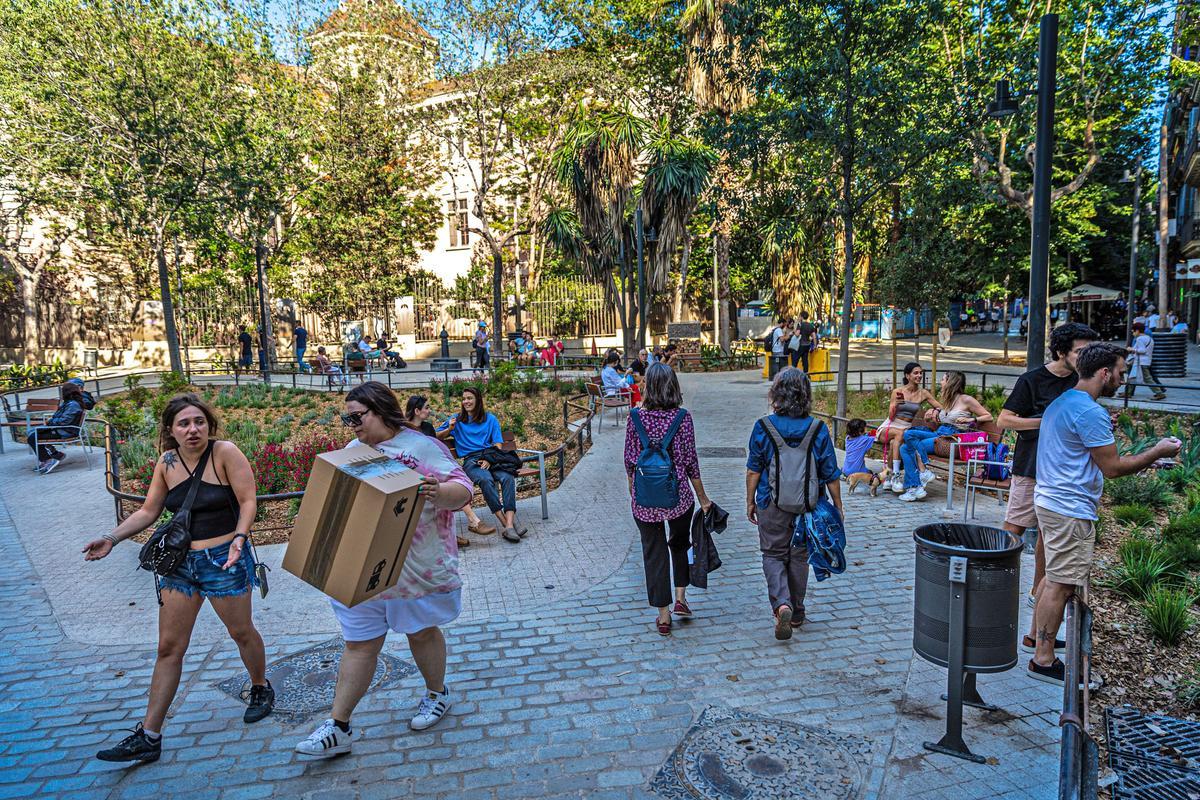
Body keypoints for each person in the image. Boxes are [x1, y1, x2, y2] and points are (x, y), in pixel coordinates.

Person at [85, 394, 272, 763]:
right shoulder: (166, 462)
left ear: (209, 425)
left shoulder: (225, 453)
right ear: (170, 430)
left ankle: (260, 686)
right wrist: (111, 538)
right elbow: (149, 510)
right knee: (169, 648)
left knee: (241, 632)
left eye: (199, 422)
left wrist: (239, 539)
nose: (192, 429)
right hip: (179, 565)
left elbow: (249, 500)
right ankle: (149, 736)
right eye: (184, 423)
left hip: (224, 560)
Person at [295, 382, 471, 756]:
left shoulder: (421, 447)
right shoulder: (353, 451)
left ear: (380, 410)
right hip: (363, 571)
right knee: (359, 645)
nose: (352, 425)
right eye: (348, 418)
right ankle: (339, 726)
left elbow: (464, 489)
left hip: (413, 572)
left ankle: (437, 694)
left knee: (421, 633)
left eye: (357, 417)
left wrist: (438, 492)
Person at [1028, 343, 1181, 685]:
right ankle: (1043, 659)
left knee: (1054, 578)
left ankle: (1036, 640)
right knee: (1061, 583)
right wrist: (1156, 449)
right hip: (1069, 509)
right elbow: (1112, 468)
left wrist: (1147, 460)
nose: (1123, 379)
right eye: (1121, 372)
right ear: (1104, 373)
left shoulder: (1065, 402)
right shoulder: (1088, 412)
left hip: (1052, 501)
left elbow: (1088, 459)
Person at [997, 322, 1099, 624]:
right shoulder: (1032, 380)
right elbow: (1005, 420)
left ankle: (1036, 591)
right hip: (1030, 467)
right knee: (1013, 527)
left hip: (1062, 472)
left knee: (1047, 535)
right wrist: (1048, 421)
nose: (1085, 357)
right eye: (1081, 351)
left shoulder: (1081, 383)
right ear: (1061, 351)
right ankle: (992, 586)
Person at [745, 368, 842, 640]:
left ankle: (781, 604)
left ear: (776, 394)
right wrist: (838, 506)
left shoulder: (763, 427)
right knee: (799, 556)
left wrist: (750, 501)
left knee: (773, 554)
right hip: (807, 506)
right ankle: (797, 611)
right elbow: (830, 472)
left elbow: (754, 469)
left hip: (770, 502)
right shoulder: (818, 428)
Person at [624, 363, 713, 636]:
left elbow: (629, 461)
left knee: (654, 553)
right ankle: (681, 598)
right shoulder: (683, 418)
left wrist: (635, 494)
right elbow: (690, 463)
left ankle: (663, 617)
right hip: (679, 498)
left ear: (647, 386)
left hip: (645, 500)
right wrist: (703, 498)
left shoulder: (635, 418)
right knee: (680, 544)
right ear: (673, 386)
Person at [437, 387, 523, 543]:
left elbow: (498, 444)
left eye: (470, 398)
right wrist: (449, 429)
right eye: (464, 399)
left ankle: (509, 523)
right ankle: (507, 525)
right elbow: (435, 436)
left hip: (492, 458)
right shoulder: (457, 420)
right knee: (485, 480)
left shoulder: (490, 419)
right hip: (471, 461)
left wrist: (489, 459)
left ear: (478, 400)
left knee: (508, 477)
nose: (466, 401)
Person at [896, 371, 993, 502]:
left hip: (951, 439)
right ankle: (921, 476)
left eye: (943, 380)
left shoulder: (966, 399)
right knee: (908, 434)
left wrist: (971, 420)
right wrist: (933, 415)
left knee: (905, 448)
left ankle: (915, 486)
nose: (940, 382)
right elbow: (944, 419)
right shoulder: (947, 400)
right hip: (940, 434)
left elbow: (988, 416)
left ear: (950, 382)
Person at [879, 362, 941, 493]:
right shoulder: (898, 391)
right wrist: (895, 405)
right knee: (899, 435)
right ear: (908, 375)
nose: (919, 376)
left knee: (895, 442)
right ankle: (896, 476)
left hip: (905, 428)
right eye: (916, 373)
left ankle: (889, 479)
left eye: (921, 373)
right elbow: (890, 417)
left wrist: (934, 411)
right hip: (890, 426)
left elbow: (940, 407)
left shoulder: (923, 393)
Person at [29, 381, 87, 473]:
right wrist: (51, 422)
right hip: (62, 429)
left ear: (66, 392)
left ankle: (48, 460)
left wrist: (50, 422)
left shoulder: (72, 405)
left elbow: (64, 421)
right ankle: (56, 454)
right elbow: (59, 417)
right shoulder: (69, 403)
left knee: (33, 437)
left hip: (65, 431)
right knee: (34, 433)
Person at [1126, 321, 1167, 401]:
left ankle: (1159, 393)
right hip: (1147, 361)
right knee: (1132, 376)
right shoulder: (1149, 338)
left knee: (1147, 379)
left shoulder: (1139, 339)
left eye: (1133, 331)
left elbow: (1142, 350)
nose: (1133, 334)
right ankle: (1128, 392)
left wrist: (1132, 349)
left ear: (1137, 330)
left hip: (1141, 362)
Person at [842, 418, 881, 496]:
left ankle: (845, 475)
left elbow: (859, 439)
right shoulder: (865, 440)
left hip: (846, 470)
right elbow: (878, 437)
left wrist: (864, 435)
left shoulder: (847, 438)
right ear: (860, 431)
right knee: (870, 473)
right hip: (857, 471)